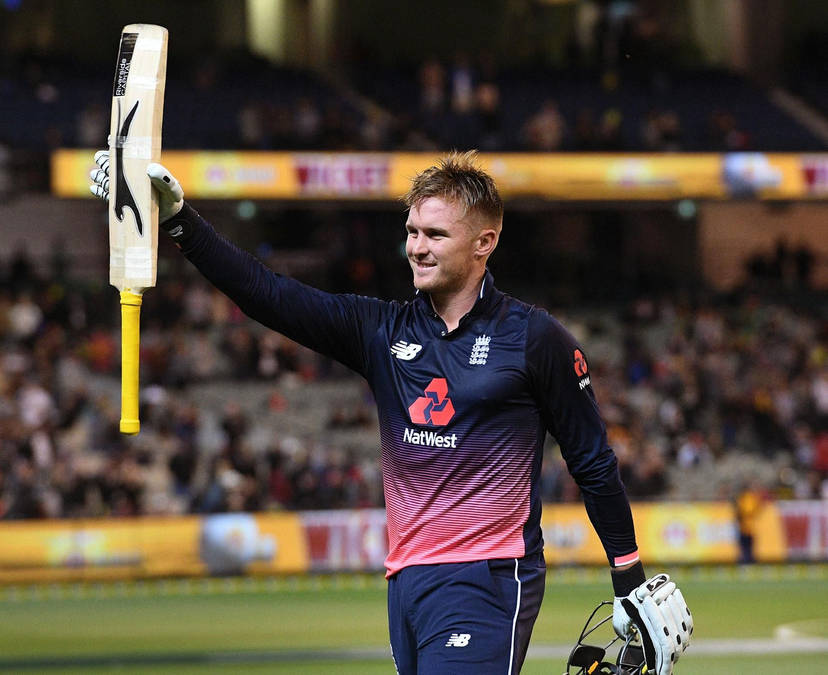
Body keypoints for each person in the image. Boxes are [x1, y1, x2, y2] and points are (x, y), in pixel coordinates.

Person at [91, 150, 692, 674]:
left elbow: (592, 460)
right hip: (405, 581)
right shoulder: (380, 330)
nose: (416, 246)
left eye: (435, 234)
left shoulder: (536, 339)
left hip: (488, 574)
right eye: (412, 231)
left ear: (485, 242)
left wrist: (628, 576)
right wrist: (179, 222)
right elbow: (268, 295)